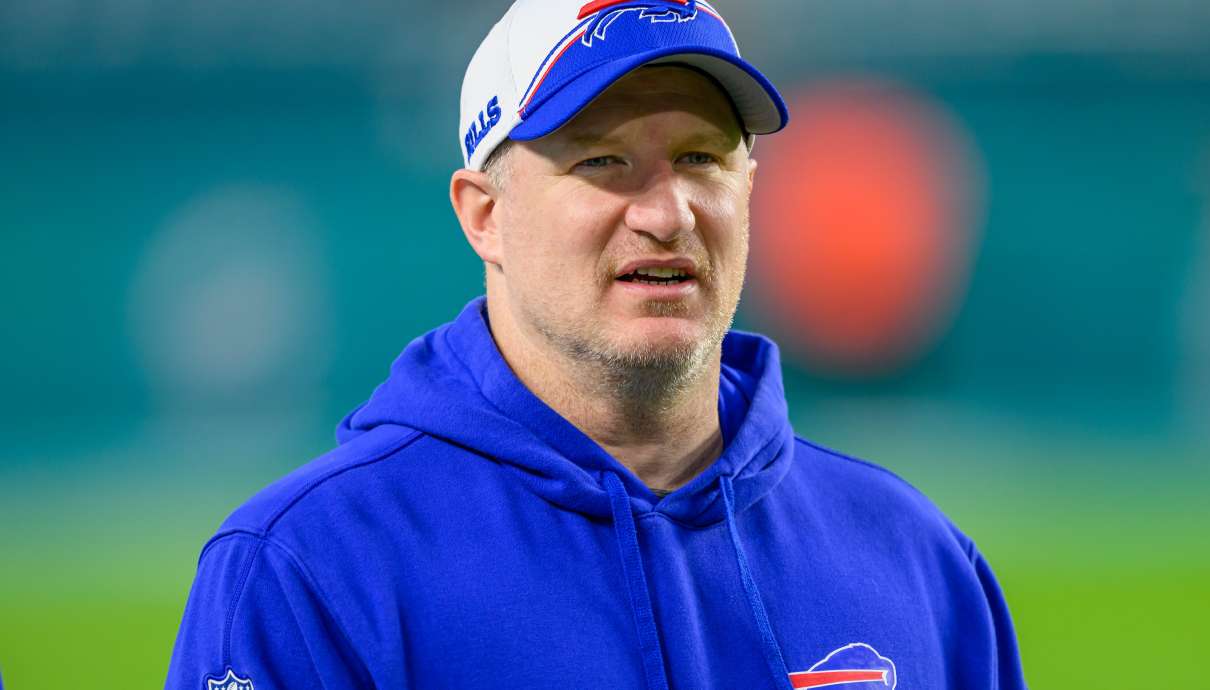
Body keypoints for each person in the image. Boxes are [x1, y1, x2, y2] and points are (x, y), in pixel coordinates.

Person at [165, 1, 1028, 688]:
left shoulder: (917, 558)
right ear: (485, 215)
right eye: (604, 164)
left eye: (700, 158)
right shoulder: (310, 569)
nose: (666, 214)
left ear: (751, 188)